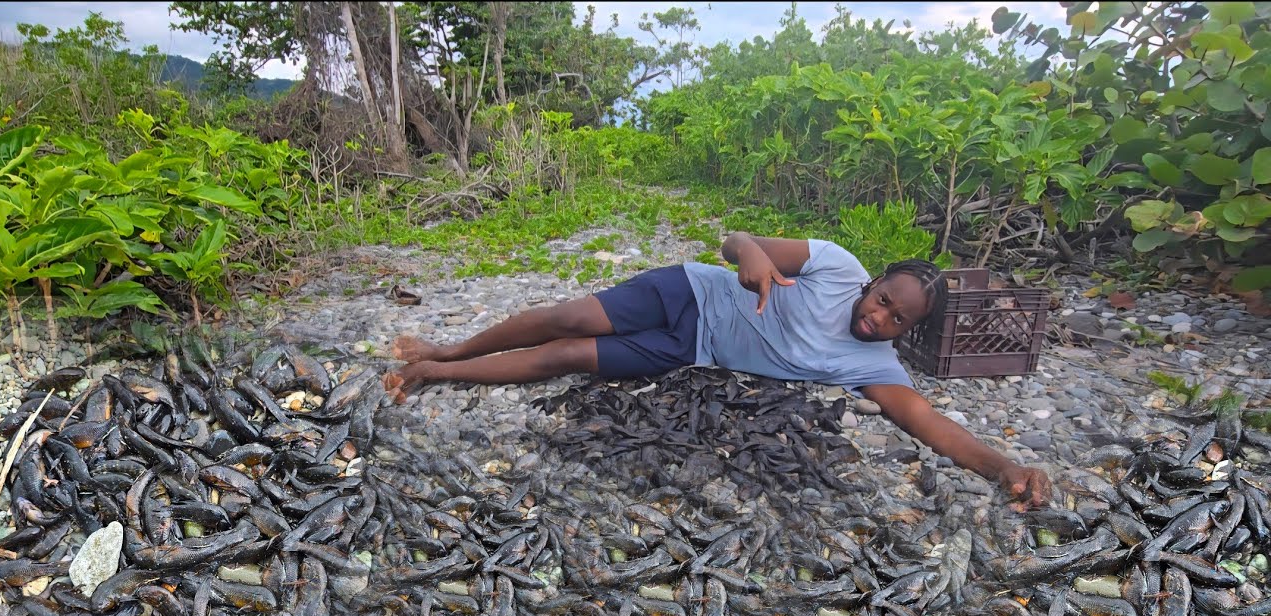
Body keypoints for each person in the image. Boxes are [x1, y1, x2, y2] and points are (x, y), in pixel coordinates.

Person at [383, 231, 1053, 509]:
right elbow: (734, 240)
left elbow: (931, 425)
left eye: (898, 320)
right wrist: (755, 258)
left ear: (906, 333)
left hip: (691, 349)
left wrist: (1005, 468)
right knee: (569, 317)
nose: (880, 318)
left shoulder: (872, 365)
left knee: (565, 361)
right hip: (689, 293)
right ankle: (450, 348)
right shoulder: (835, 264)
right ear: (872, 282)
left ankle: (441, 375)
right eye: (883, 300)